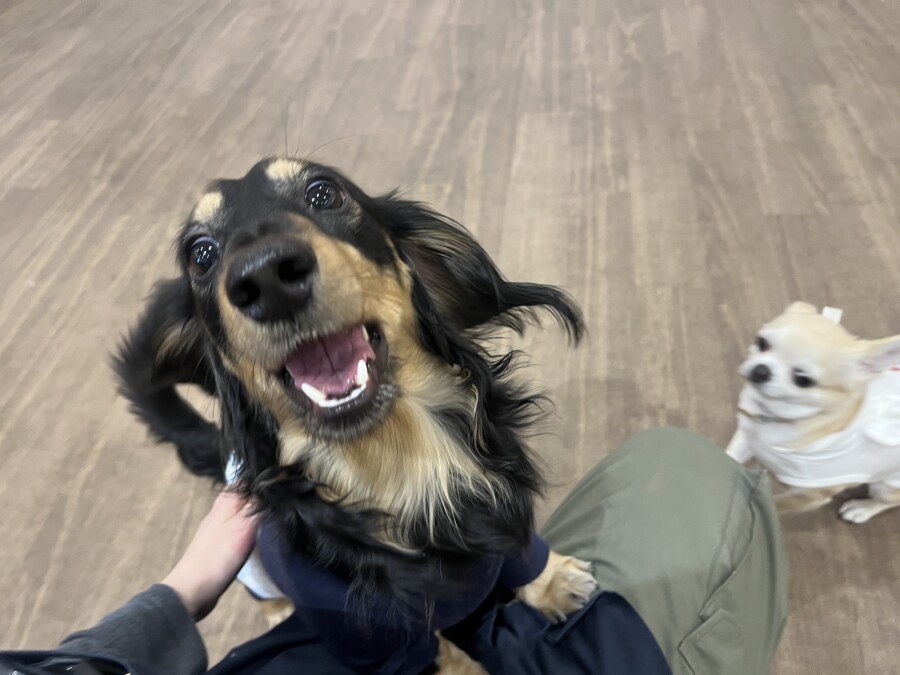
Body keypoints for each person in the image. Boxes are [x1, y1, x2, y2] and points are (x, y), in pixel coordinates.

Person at [0, 429, 788, 675]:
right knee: (686, 471)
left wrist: (178, 593)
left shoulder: (458, 460)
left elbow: (500, 521)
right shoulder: (318, 564)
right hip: (363, 624)